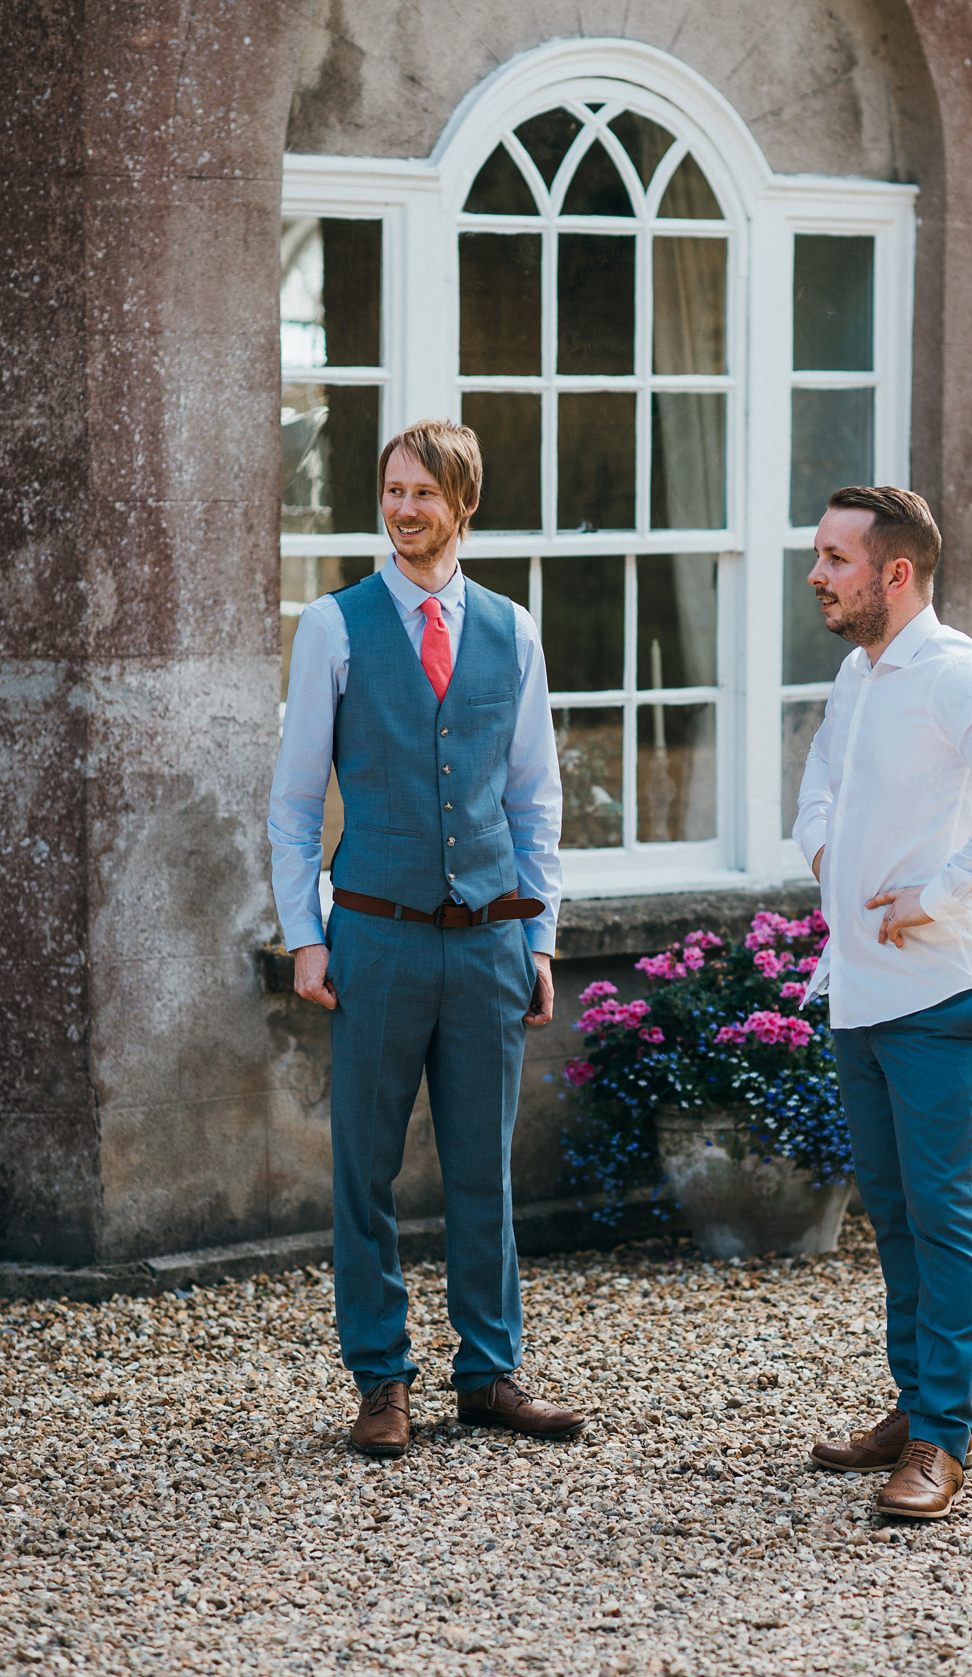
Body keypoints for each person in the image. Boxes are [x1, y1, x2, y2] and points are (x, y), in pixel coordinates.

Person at [268, 418, 583, 1455]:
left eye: (423, 494)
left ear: (464, 504)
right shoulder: (335, 625)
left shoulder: (513, 628)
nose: (403, 509)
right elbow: (294, 799)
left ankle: (490, 1374)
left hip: (492, 940)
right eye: (392, 490)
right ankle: (381, 1380)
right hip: (375, 937)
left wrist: (540, 938)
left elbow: (536, 799)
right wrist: (303, 935)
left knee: (483, 1167)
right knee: (365, 1168)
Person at [793, 486, 972, 1519]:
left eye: (835, 558)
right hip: (862, 993)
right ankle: (915, 1408)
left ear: (894, 574)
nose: (817, 573)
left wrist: (945, 890)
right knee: (898, 1218)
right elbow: (822, 781)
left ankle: (944, 1441)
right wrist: (824, 850)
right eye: (819, 555)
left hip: (954, 991)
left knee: (948, 1218)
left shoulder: (957, 672)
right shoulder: (858, 677)